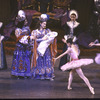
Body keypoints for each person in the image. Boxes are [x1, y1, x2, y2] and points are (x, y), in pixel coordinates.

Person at [31, 14, 58, 81]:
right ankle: (39, 74)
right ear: (40, 23)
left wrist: (51, 39)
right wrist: (42, 39)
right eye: (43, 24)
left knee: (47, 61)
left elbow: (52, 37)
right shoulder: (35, 32)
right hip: (38, 48)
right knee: (39, 61)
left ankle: (48, 75)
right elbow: (33, 40)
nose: (45, 25)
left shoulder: (48, 31)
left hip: (46, 49)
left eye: (45, 24)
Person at [11, 10, 34, 79]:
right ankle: (18, 73)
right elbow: (20, 39)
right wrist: (29, 38)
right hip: (20, 47)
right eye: (25, 20)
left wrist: (31, 43)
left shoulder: (27, 28)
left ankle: (26, 72)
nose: (26, 22)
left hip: (26, 47)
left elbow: (30, 36)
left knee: (26, 59)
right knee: (19, 59)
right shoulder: (17, 30)